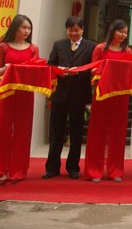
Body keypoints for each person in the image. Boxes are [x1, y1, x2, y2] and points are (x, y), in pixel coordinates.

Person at [42, 16, 95, 180]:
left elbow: (93, 69)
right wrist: (59, 69)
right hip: (60, 94)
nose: (73, 33)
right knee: (56, 132)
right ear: (67, 30)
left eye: (76, 30)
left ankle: (73, 167)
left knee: (76, 133)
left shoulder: (91, 46)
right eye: (70, 30)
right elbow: (49, 65)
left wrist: (79, 71)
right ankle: (52, 168)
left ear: (82, 30)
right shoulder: (59, 45)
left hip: (79, 95)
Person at [84, 19, 132, 183]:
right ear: (113, 31)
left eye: (125, 32)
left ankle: (115, 170)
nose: (123, 35)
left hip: (120, 95)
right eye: (121, 31)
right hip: (103, 93)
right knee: (97, 131)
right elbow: (93, 69)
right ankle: (94, 170)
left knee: (118, 133)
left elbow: (130, 70)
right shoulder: (100, 48)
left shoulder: (127, 50)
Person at [0, 14, 39, 184]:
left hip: (25, 93)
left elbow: (35, 71)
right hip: (6, 92)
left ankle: (18, 170)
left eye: (29, 28)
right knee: (3, 130)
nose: (27, 31)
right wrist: (6, 68)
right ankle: (0, 170)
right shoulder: (3, 47)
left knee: (23, 131)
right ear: (15, 28)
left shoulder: (33, 48)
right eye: (24, 27)